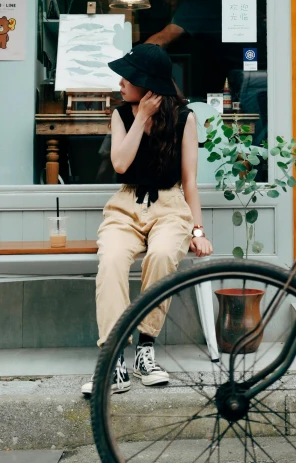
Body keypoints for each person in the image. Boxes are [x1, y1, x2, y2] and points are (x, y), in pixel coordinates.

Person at [81, 43, 213, 396]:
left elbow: (189, 181)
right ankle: (113, 358)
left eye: (129, 77)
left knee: (162, 255)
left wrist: (197, 230)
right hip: (126, 205)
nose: (121, 82)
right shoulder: (122, 115)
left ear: (149, 84)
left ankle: (144, 348)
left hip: (170, 206)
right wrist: (140, 117)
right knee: (110, 261)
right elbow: (121, 164)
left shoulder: (184, 119)